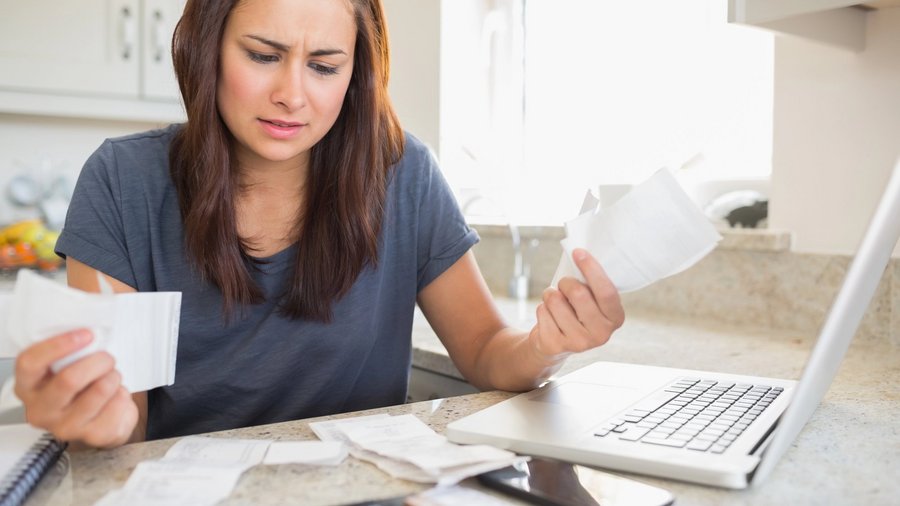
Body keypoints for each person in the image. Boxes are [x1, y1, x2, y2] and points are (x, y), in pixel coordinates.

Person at [13, 0, 624, 450]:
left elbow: (489, 352)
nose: (292, 95)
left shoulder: (403, 174)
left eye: (325, 66)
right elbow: (126, 421)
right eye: (262, 56)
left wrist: (548, 345)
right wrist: (101, 420)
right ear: (206, 46)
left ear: (355, 73)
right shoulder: (124, 182)